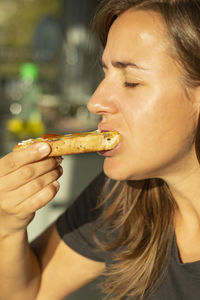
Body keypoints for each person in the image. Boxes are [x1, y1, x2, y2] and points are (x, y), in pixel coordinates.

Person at [1, 0, 200, 299]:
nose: (95, 102)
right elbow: (29, 292)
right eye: (105, 74)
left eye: (131, 81)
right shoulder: (123, 196)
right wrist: (7, 224)